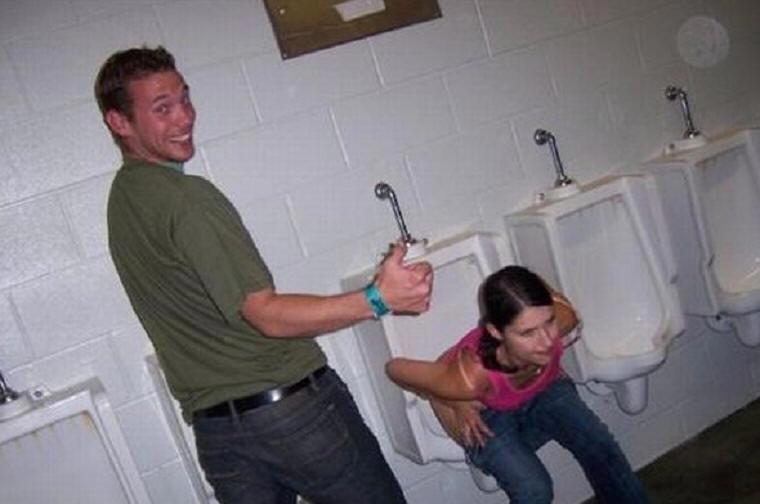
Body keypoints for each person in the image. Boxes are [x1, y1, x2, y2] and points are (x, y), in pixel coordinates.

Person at [95, 45, 433, 504]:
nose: (185, 117)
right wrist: (377, 299)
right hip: (292, 415)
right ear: (119, 122)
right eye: (162, 108)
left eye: (185, 99)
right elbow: (264, 314)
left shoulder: (122, 202)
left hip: (219, 436)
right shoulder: (187, 198)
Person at [385, 265, 648, 504]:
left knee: (600, 446)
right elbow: (394, 369)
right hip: (485, 416)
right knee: (534, 491)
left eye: (548, 322)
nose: (547, 342)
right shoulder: (471, 377)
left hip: (542, 390)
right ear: (495, 332)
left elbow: (545, 298)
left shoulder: (564, 319)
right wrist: (455, 400)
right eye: (527, 333)